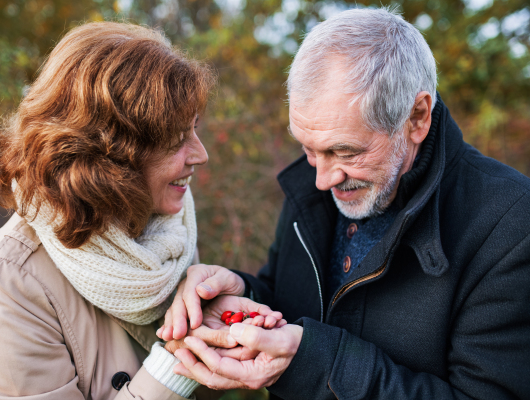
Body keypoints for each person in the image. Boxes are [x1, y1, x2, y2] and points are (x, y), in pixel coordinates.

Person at [159, 8, 530, 399]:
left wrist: (313, 363)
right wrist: (243, 296)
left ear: (417, 117)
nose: (322, 179)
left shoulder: (510, 225)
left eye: (346, 152)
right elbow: (291, 299)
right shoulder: (317, 183)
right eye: (308, 149)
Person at [0, 21, 283, 400]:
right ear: (108, 154)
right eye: (177, 140)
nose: (201, 154)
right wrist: (173, 366)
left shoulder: (169, 228)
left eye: (195, 130)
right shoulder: (8, 286)